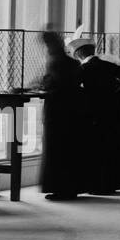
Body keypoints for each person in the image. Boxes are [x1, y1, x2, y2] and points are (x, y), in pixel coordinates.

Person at [69, 32, 120, 194]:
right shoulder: (106, 65)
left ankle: (100, 185)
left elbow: (74, 89)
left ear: (78, 54)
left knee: (99, 150)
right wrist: (119, 95)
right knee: (114, 148)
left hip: (96, 115)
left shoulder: (83, 69)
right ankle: (117, 181)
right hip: (114, 112)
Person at [37, 30, 89, 201]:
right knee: (70, 149)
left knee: (57, 150)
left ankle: (60, 189)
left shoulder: (54, 62)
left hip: (57, 111)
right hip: (74, 111)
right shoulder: (71, 62)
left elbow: (51, 83)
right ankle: (71, 188)